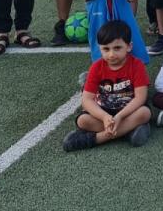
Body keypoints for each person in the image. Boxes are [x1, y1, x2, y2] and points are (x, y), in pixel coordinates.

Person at [63, 20, 152, 151]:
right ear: (100, 48)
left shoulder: (137, 65)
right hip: (103, 111)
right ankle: (128, 132)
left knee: (144, 113)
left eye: (117, 48)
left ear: (129, 46)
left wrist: (119, 117)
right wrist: (104, 117)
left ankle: (97, 138)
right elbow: (87, 100)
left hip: (128, 112)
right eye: (106, 49)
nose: (111, 54)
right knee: (83, 120)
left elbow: (140, 97)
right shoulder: (96, 67)